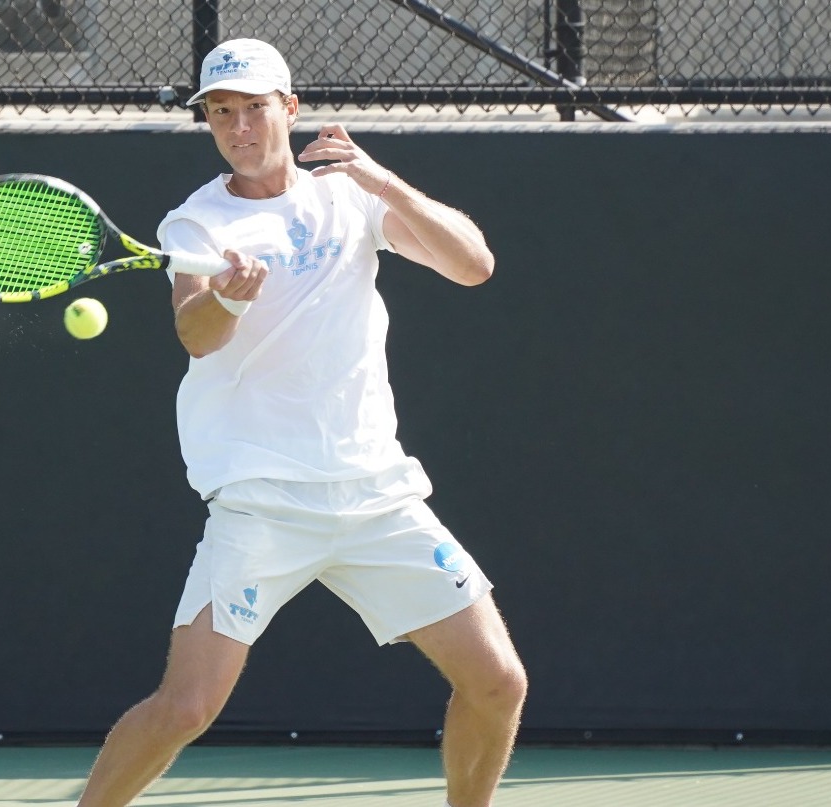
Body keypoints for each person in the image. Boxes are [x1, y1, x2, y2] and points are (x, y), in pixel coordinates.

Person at [77, 39, 527, 807]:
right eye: (221, 113)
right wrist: (229, 298)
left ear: (289, 107)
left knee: (496, 681)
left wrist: (380, 180)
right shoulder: (193, 223)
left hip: (376, 495)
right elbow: (195, 334)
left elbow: (472, 264)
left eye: (253, 108)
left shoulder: (349, 198)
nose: (238, 127)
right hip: (262, 499)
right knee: (186, 707)